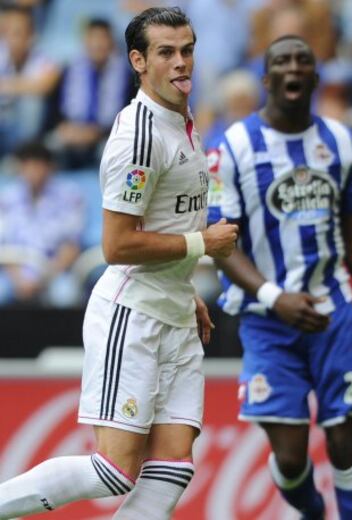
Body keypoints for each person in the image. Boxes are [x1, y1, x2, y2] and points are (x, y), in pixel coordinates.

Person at [0, 7, 238, 519]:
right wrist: (202, 246)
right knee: (114, 470)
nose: (181, 62)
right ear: (138, 60)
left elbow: (163, 226)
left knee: (174, 467)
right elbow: (117, 245)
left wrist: (184, 285)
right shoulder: (139, 135)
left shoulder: (183, 122)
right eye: (166, 52)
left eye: (188, 50)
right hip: (132, 315)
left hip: (172, 308)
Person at [216, 35, 352, 519]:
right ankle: (311, 509)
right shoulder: (234, 147)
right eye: (282, 61)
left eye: (303, 60)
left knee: (346, 439)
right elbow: (223, 244)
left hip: (332, 310)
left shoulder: (341, 141)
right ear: (267, 78)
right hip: (267, 317)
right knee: (292, 456)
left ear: (315, 77)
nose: (293, 67)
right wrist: (276, 297)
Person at [0, 140, 85, 308]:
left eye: (37, 165)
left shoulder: (70, 197)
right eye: (27, 165)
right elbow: (3, 247)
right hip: (13, 271)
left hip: (53, 271)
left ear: (50, 167)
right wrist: (18, 278)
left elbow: (71, 247)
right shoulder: (6, 199)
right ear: (20, 167)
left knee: (66, 295)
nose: (32, 172)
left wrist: (45, 277)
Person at [46, 18, 132, 169]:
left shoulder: (126, 76)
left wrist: (97, 132)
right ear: (84, 41)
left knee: (116, 152)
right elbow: (53, 109)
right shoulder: (68, 71)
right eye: (92, 38)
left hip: (108, 135)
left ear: (111, 42)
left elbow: (129, 116)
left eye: (102, 38)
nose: (97, 44)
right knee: (50, 146)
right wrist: (64, 127)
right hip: (71, 133)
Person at [0, 5, 60, 159]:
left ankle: (24, 156)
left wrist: (7, 86)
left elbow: (46, 85)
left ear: (31, 35)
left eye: (18, 32)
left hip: (29, 127)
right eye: (8, 32)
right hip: (4, 120)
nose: (12, 38)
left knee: (31, 103)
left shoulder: (43, 57)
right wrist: (26, 85)